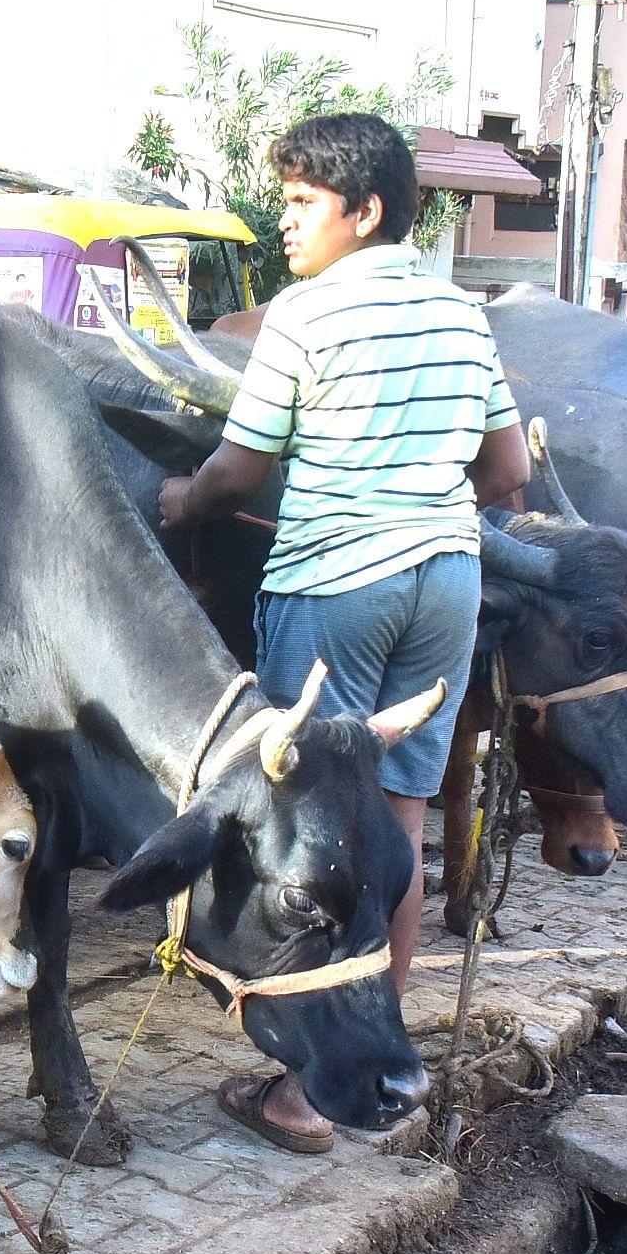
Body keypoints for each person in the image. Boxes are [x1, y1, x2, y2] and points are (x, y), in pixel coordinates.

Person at [161, 112, 526, 1155]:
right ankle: (372, 1064)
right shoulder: (466, 315)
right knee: (393, 824)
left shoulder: (305, 316)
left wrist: (183, 503)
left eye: (301, 203)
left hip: (334, 590)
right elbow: (507, 475)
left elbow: (238, 471)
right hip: (446, 583)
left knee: (305, 828)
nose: (285, 223)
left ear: (362, 211)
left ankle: (306, 1093)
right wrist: (415, 503)